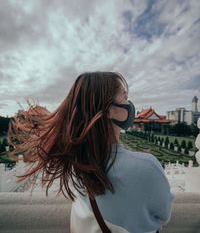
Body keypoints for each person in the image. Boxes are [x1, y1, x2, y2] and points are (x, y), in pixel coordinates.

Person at [8, 71, 174, 233]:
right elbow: (164, 215)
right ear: (108, 110)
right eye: (125, 97)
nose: (129, 104)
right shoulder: (147, 167)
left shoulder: (73, 162)